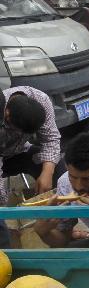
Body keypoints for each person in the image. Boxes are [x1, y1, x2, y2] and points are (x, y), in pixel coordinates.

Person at [0, 87, 63, 248]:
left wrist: (47, 172)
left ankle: (63, 231)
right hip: (2, 157)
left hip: (21, 152)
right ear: (7, 115)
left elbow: (51, 139)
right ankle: (7, 249)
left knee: (60, 171)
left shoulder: (42, 100)